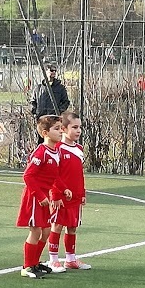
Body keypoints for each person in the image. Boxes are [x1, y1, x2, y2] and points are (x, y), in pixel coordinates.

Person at [16, 115, 72, 279]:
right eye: (56, 129)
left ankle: (35, 262)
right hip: (34, 197)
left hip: (43, 198)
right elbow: (28, 176)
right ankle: (27, 267)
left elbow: (54, 177)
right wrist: (40, 196)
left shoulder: (55, 152)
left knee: (46, 232)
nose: (61, 131)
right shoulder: (41, 152)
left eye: (61, 128)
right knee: (36, 231)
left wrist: (64, 189)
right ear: (45, 133)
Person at [48, 111, 91, 270]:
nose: (78, 130)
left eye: (80, 127)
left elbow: (78, 174)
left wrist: (82, 193)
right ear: (64, 129)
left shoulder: (79, 148)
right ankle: (53, 259)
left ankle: (71, 259)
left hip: (75, 196)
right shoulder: (57, 149)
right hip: (61, 196)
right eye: (74, 127)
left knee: (72, 227)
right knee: (57, 225)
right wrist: (56, 194)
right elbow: (53, 175)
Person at [30, 65, 71, 144]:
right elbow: (33, 101)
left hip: (54, 119)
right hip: (41, 119)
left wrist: (58, 111)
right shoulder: (38, 88)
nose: (53, 72)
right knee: (41, 141)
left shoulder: (60, 88)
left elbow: (66, 102)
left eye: (55, 71)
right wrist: (35, 112)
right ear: (46, 72)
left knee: (55, 141)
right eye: (51, 70)